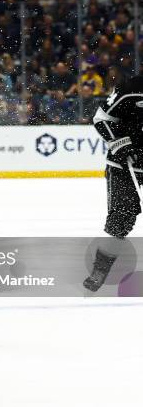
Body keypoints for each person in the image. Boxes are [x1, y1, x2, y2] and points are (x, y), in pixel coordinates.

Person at [85, 75, 143, 291]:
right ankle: (100, 269)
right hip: (124, 166)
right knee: (121, 219)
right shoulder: (131, 87)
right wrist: (121, 142)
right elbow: (101, 119)